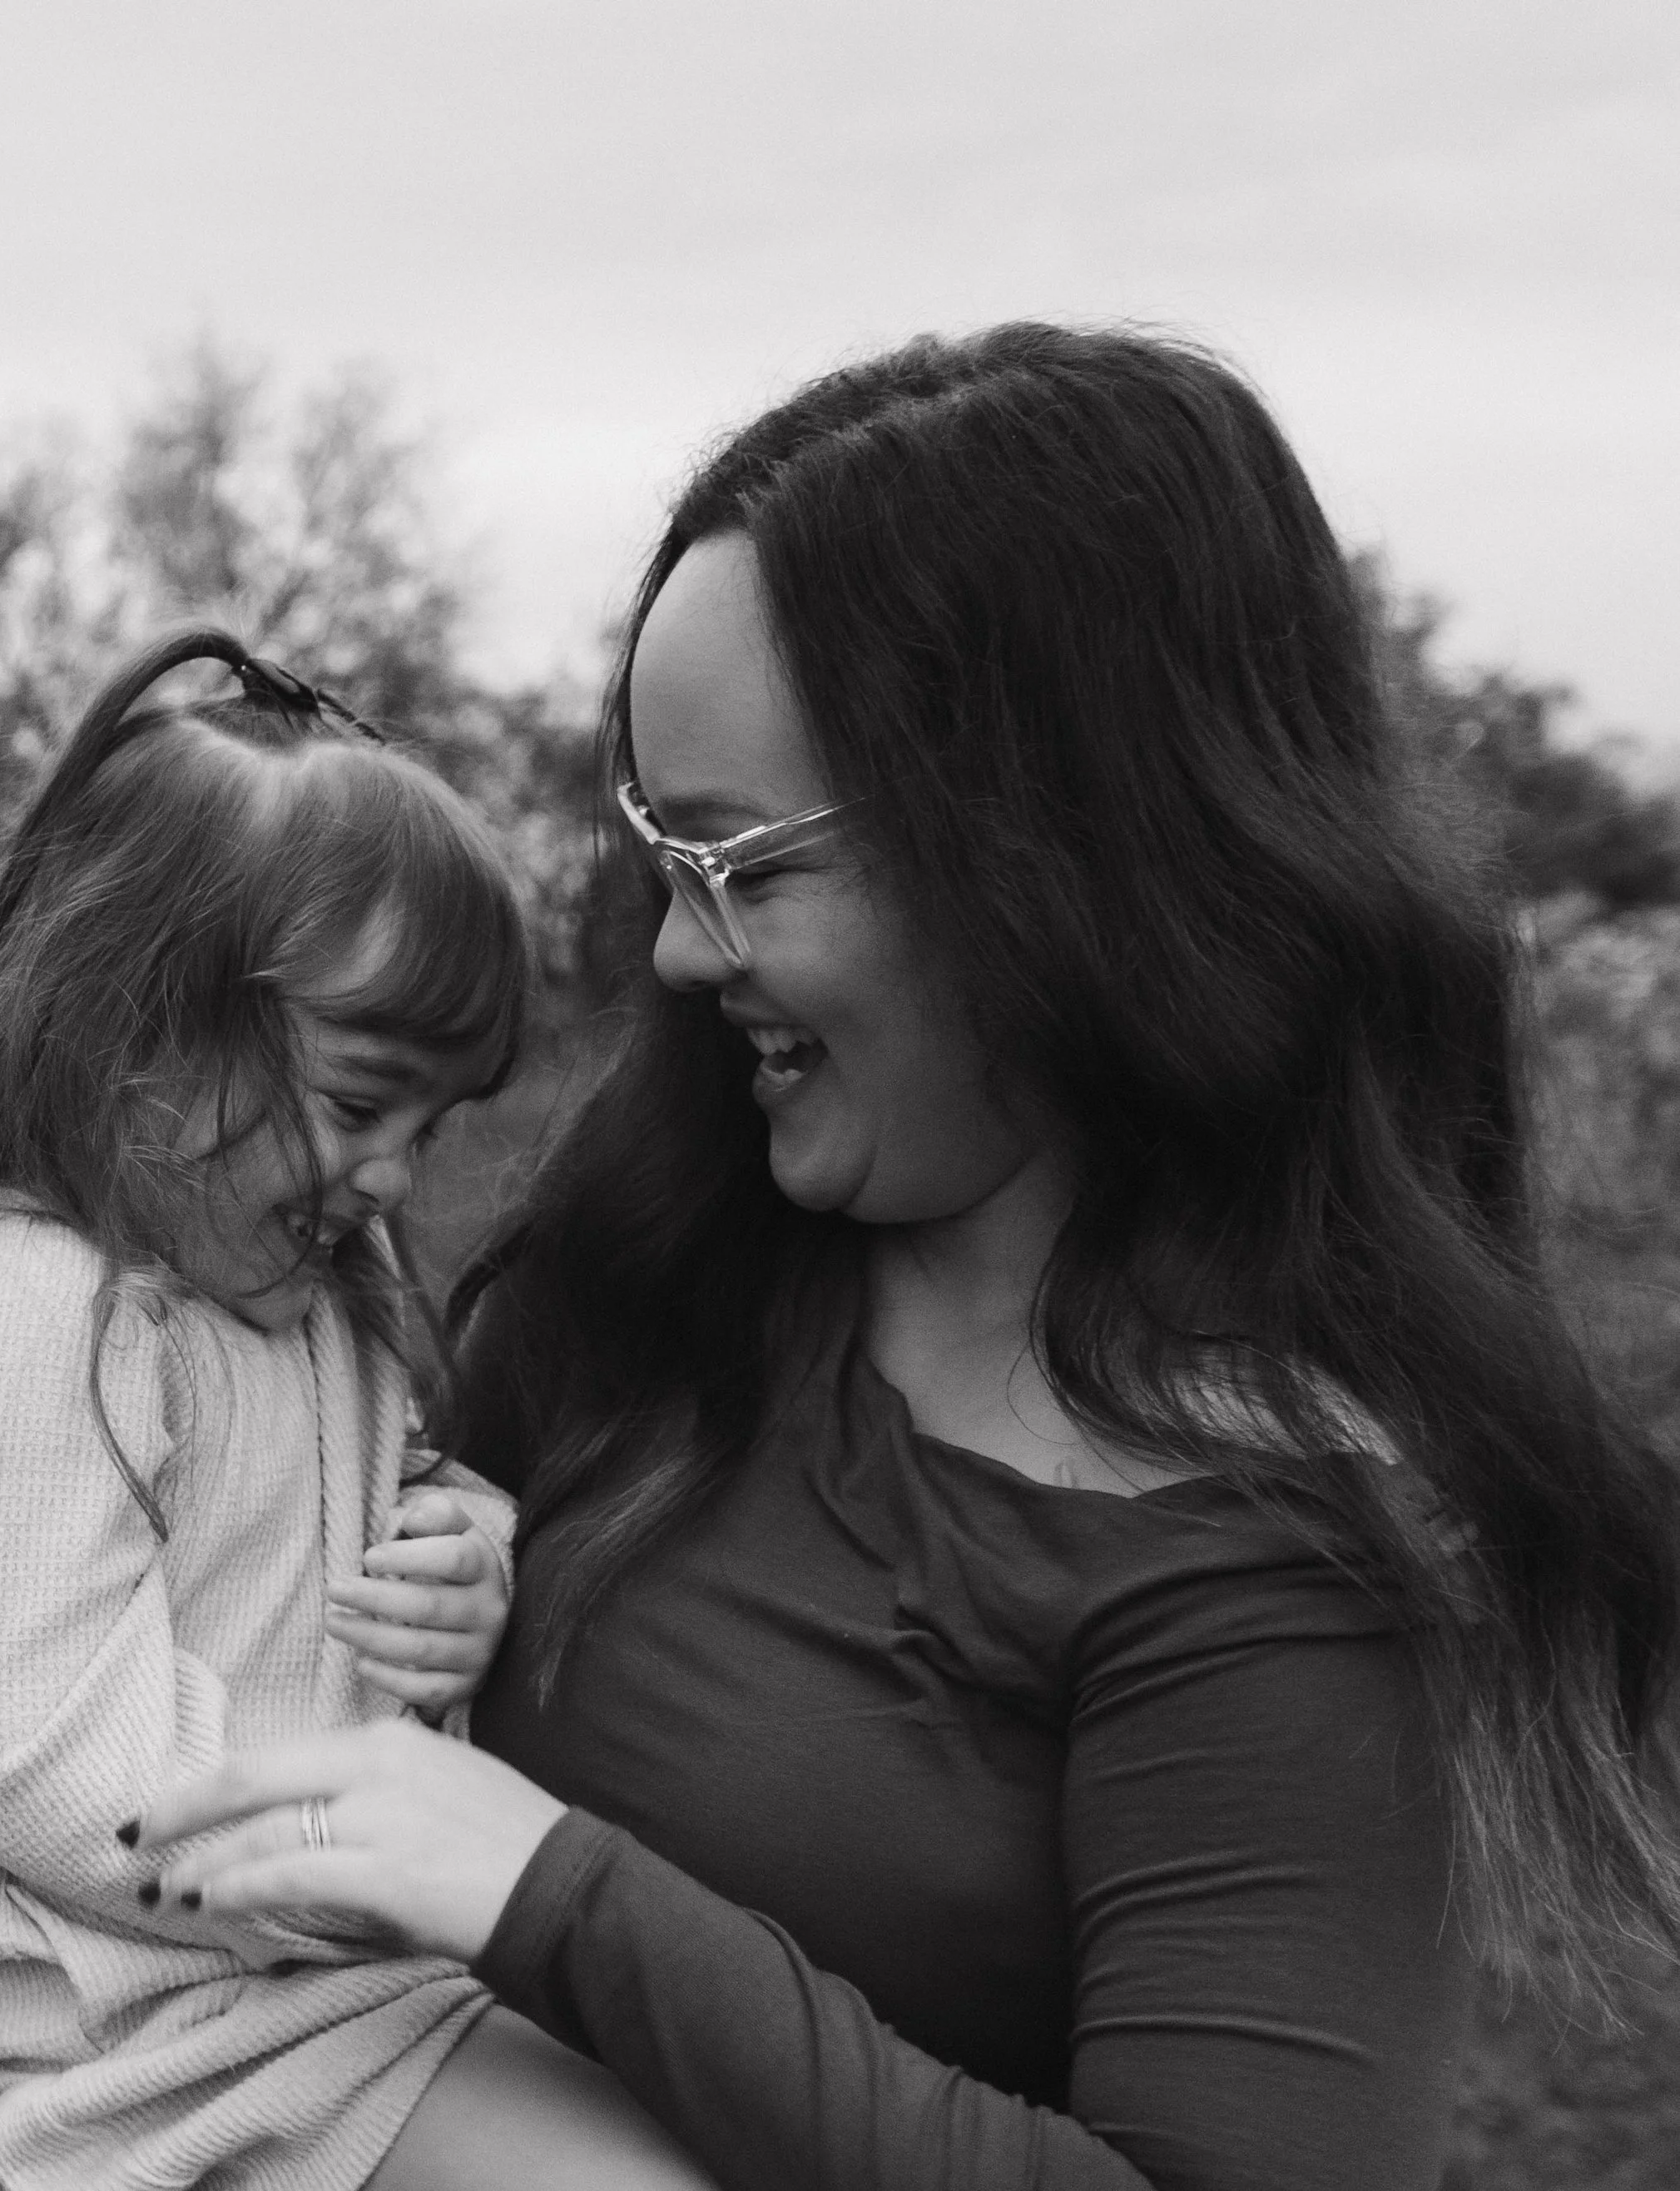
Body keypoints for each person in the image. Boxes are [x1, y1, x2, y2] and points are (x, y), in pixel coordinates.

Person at [129, 329, 1680, 2191]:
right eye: (661, 855)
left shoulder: (1276, 1563)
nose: (686, 957)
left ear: (1067, 854)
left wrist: (554, 1895)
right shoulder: (655, 1281)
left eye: (749, 862)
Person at [0, 630, 714, 2190]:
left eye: (431, 1121)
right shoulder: (29, 1311)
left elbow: (391, 1496)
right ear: (131, 1026)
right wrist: (391, 1863)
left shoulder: (299, 1294)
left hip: (344, 1997)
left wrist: (463, 1553)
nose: (396, 1177)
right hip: (177, 2057)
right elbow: (55, 1762)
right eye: (358, 1105)